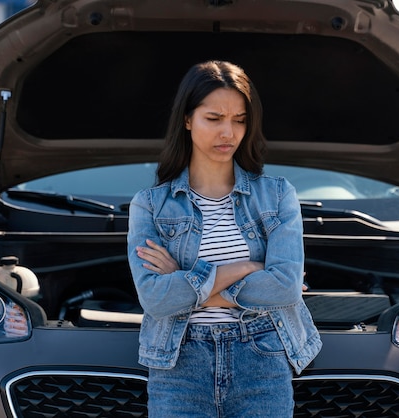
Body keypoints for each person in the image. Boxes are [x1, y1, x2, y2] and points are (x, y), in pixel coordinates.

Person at [127, 60, 321, 418]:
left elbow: (284, 290)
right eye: (214, 119)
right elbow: (154, 299)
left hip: (262, 359)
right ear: (187, 119)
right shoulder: (150, 206)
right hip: (179, 366)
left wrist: (185, 278)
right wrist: (247, 267)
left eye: (239, 120)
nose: (228, 133)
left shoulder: (277, 196)